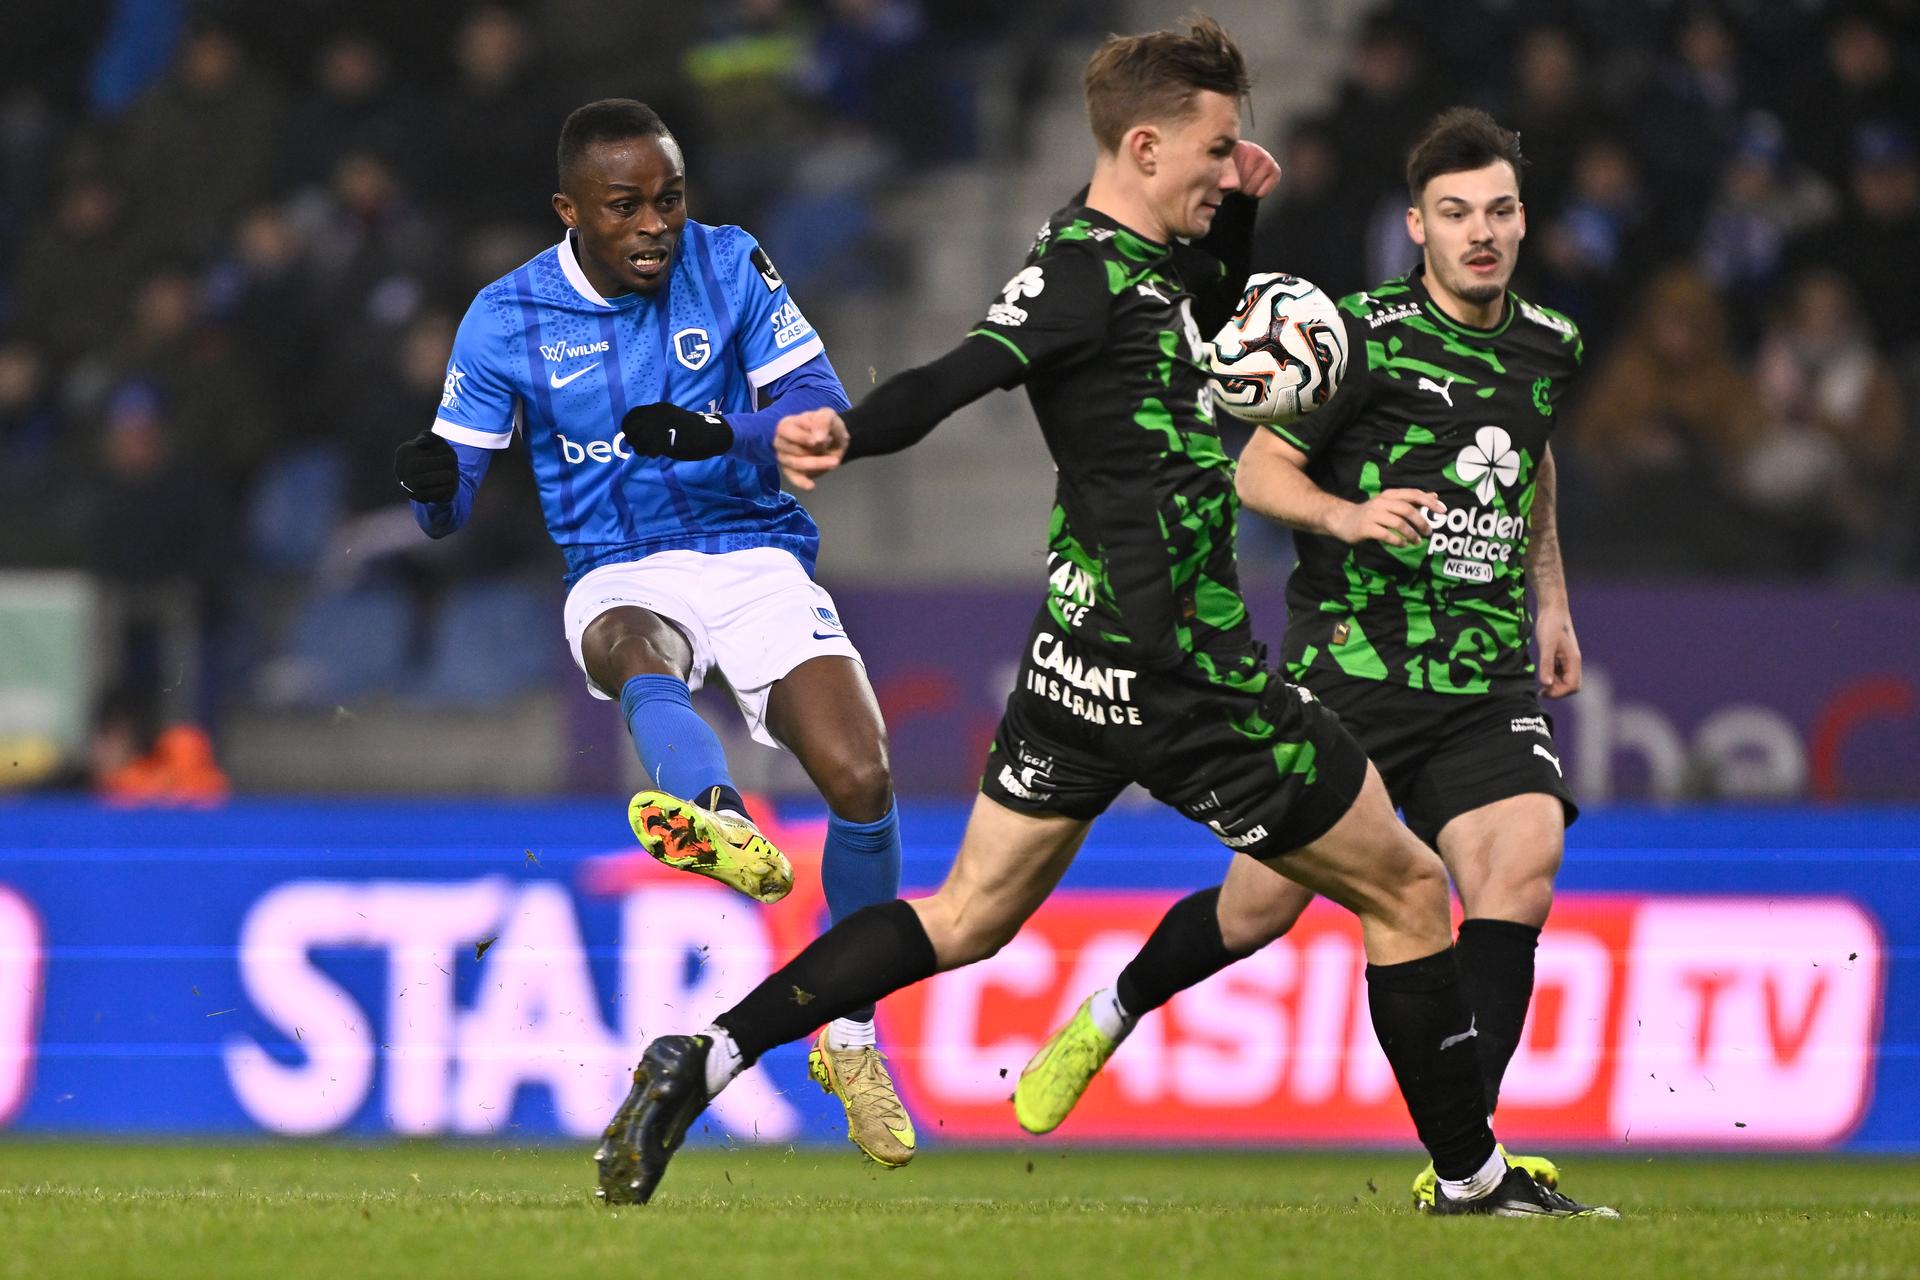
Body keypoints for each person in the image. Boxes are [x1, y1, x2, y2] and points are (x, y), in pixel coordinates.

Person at [593, 23, 1614, 1219]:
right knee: (1405, 890)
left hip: (1075, 659)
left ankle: (702, 1054)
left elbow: (1203, 306)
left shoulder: (1145, 260)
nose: (1231, 165)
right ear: (1142, 144)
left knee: (966, 913)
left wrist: (1235, 215)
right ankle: (1472, 1178)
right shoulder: (1079, 270)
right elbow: (961, 370)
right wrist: (846, 433)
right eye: (1216, 149)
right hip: (1183, 667)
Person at [1014, 107, 1590, 1210]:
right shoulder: (1354, 334)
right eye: (1457, 214)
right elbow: (1257, 475)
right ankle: (1114, 1009)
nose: (1482, 233)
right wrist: (1350, 513)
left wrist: (1551, 601)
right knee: (1255, 911)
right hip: (1351, 673)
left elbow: (1532, 460)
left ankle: (1466, 1163)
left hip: (1483, 681)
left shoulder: (1549, 343)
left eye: (1501, 211)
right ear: (1417, 227)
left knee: (1520, 868)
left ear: (1524, 223)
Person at [391, 99, 915, 1169]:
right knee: (637, 643)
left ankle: (851, 1040)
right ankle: (716, 813)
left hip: (754, 549)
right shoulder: (504, 316)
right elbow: (449, 497)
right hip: (615, 567)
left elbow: (819, 409)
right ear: (569, 210)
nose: (655, 225)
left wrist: (727, 432)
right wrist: (434, 491)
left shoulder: (731, 265)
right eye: (625, 206)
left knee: (863, 777)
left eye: (669, 198)